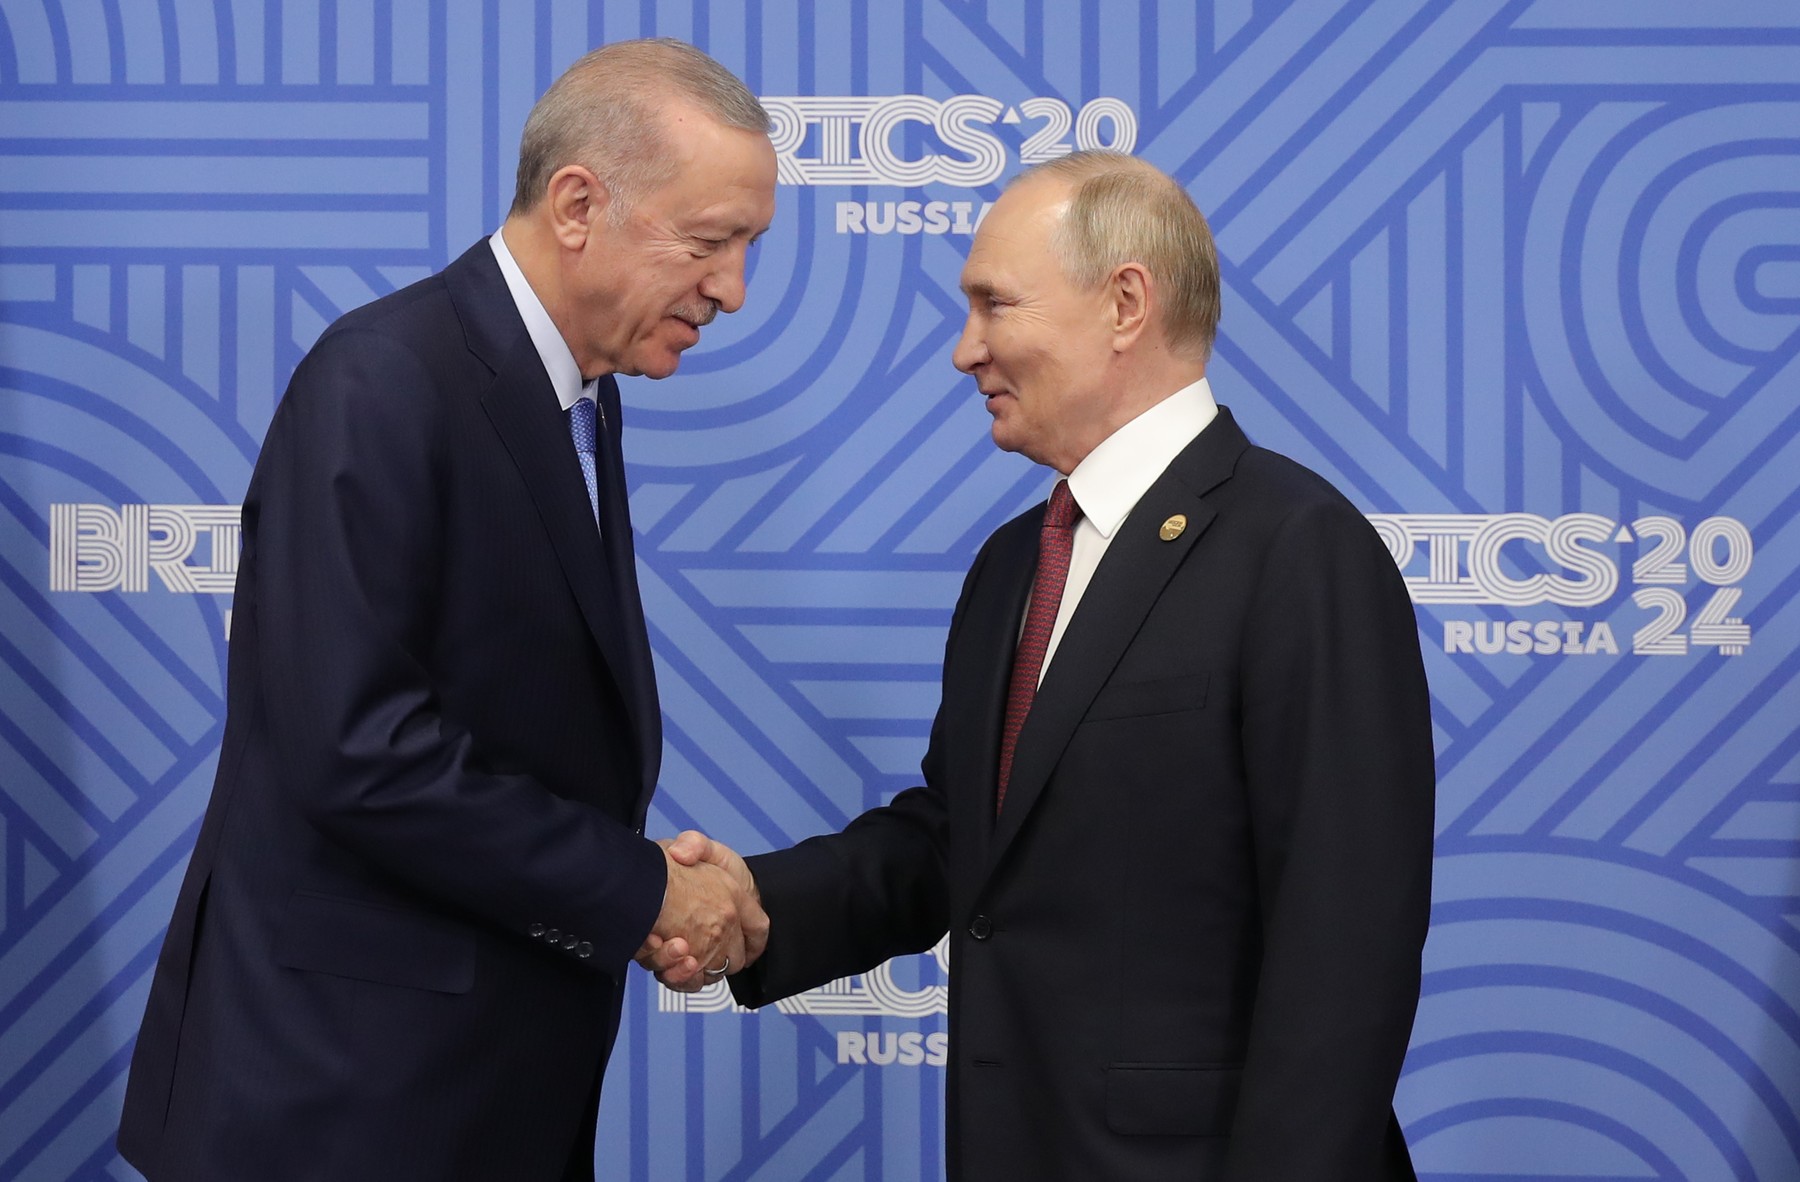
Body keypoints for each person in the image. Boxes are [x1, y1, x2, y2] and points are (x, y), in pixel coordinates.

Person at [662, 152, 1437, 1180]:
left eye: (995, 305)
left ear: (1125, 303)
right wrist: (753, 906)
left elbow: (1345, 949)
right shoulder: (1011, 567)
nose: (964, 350)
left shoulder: (1299, 552)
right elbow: (957, 847)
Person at [117, 39, 774, 1182]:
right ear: (578, 204)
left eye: (747, 249)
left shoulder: (583, 394)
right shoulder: (382, 378)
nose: (732, 289)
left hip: (479, 1088)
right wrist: (639, 889)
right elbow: (361, 752)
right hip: (343, 1102)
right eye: (710, 242)